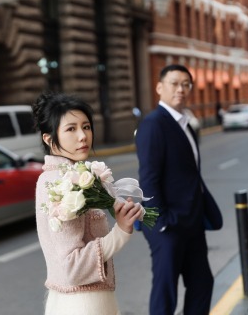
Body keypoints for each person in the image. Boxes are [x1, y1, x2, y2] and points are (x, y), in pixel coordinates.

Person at [32, 92, 143, 315]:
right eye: (71, 129)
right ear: (48, 138)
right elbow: (73, 266)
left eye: (86, 127)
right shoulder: (59, 183)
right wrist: (120, 231)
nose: (83, 136)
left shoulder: (71, 175)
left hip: (79, 300)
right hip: (82, 304)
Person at [135, 64, 223, 315]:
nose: (181, 89)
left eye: (186, 84)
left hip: (191, 222)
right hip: (168, 226)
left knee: (202, 283)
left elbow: (190, 175)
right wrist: (161, 222)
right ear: (159, 87)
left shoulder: (186, 124)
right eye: (174, 83)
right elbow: (149, 178)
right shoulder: (153, 124)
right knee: (165, 295)